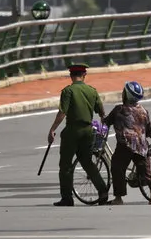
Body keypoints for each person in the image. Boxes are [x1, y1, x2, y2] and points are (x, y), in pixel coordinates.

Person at [47, 63, 109, 207]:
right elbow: (101, 111)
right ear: (84, 75)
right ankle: (102, 191)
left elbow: (62, 112)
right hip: (88, 131)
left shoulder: (68, 91)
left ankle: (67, 198)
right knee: (87, 162)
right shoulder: (91, 91)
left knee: (65, 166)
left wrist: (52, 129)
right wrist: (103, 124)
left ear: (71, 76)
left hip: (72, 132)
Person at [103, 81, 151, 205]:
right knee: (144, 171)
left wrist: (103, 119)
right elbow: (150, 127)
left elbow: (107, 121)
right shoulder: (143, 110)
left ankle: (118, 198)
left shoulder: (119, 109)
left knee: (117, 167)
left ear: (127, 95)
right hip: (141, 145)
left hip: (126, 145)